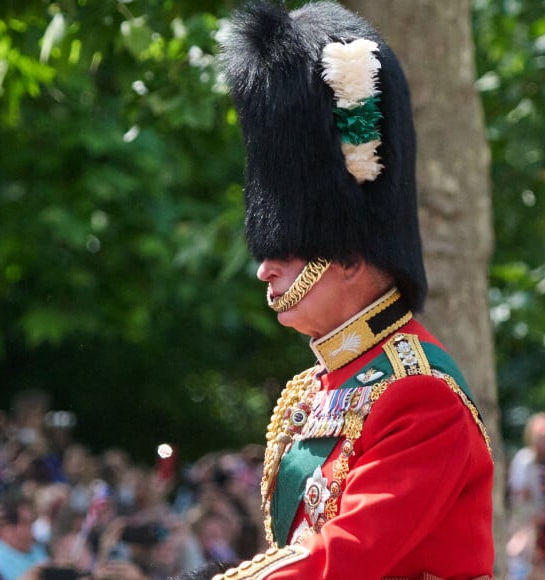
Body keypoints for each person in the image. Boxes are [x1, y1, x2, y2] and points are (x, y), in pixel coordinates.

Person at [200, 1, 495, 578]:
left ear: (351, 256)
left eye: (286, 248)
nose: (264, 268)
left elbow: (343, 558)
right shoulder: (313, 390)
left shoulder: (420, 395)